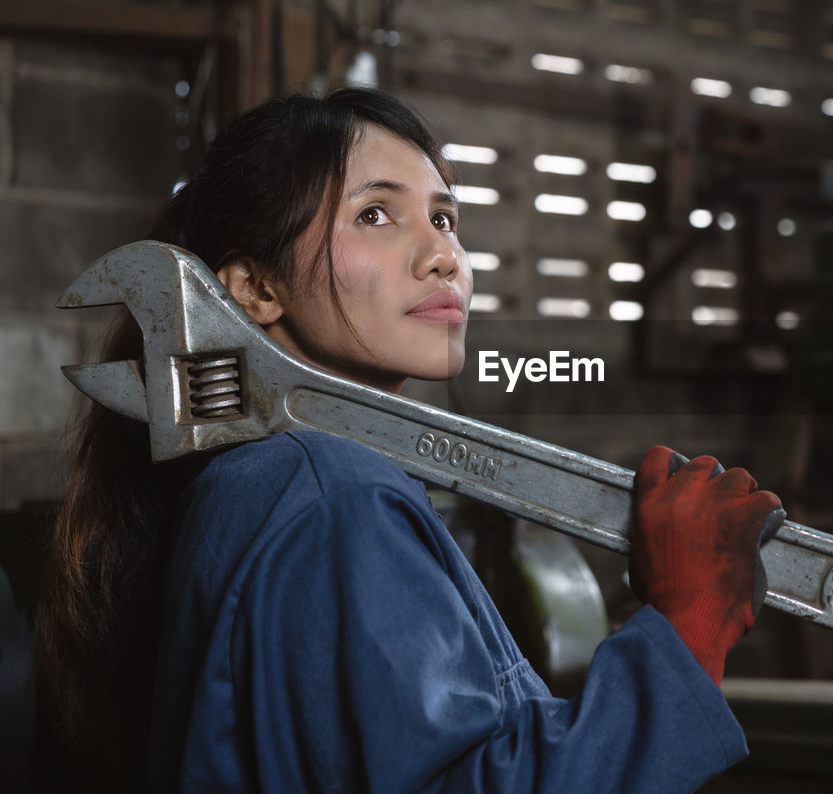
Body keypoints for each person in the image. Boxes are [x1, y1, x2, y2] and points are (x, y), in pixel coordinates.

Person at [34, 87, 785, 793]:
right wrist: (686, 626)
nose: (443, 257)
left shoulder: (261, 478)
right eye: (375, 216)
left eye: (446, 218)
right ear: (255, 289)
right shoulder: (329, 494)